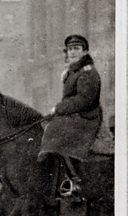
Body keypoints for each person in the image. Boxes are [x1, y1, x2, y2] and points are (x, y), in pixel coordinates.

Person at [39, 34, 102, 198]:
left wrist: (58, 108)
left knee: (59, 133)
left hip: (86, 116)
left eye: (77, 49)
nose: (72, 52)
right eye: (70, 49)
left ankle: (75, 181)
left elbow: (84, 100)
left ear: (85, 51)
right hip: (74, 113)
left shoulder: (88, 73)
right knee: (44, 124)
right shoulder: (72, 72)